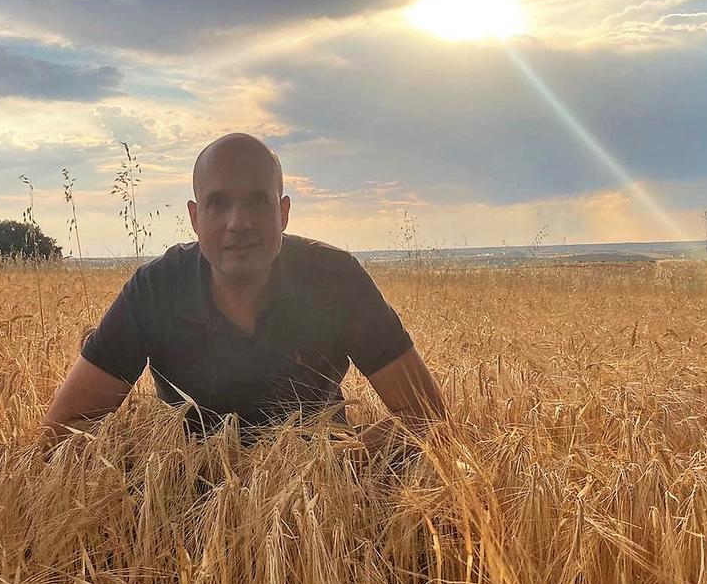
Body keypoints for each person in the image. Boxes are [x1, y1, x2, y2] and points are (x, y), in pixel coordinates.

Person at [39, 132, 445, 458]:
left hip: (323, 505)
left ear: (283, 213)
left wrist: (330, 466)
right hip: (187, 505)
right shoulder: (154, 290)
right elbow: (61, 432)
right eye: (218, 204)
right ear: (195, 218)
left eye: (257, 202)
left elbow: (427, 417)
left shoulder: (336, 278)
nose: (239, 223)